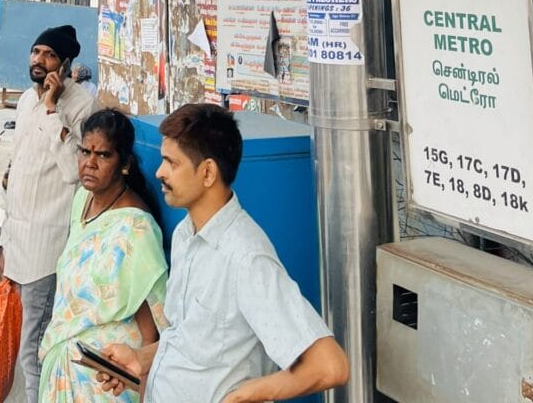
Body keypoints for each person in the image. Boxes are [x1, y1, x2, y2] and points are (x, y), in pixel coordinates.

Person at [100, 103, 349, 403]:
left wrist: (245, 395)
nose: (159, 172)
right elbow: (189, 338)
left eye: (171, 163)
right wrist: (140, 359)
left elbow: (329, 365)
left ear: (207, 172)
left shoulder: (246, 258)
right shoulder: (185, 234)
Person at [39, 109, 167, 403]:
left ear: (125, 163)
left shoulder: (135, 227)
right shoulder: (82, 199)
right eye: (85, 152)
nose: (90, 163)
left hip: (106, 378)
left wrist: (145, 389)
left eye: (103, 155)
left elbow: (150, 328)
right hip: (68, 360)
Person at [0, 24, 95, 403]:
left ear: (65, 64)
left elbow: (75, 171)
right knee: (26, 344)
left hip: (47, 247)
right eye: (36, 51)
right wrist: (4, 239)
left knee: (34, 349)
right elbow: (16, 169)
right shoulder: (25, 100)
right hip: (19, 241)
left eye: (49, 55)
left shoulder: (81, 106)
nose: (39, 60)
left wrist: (55, 109)